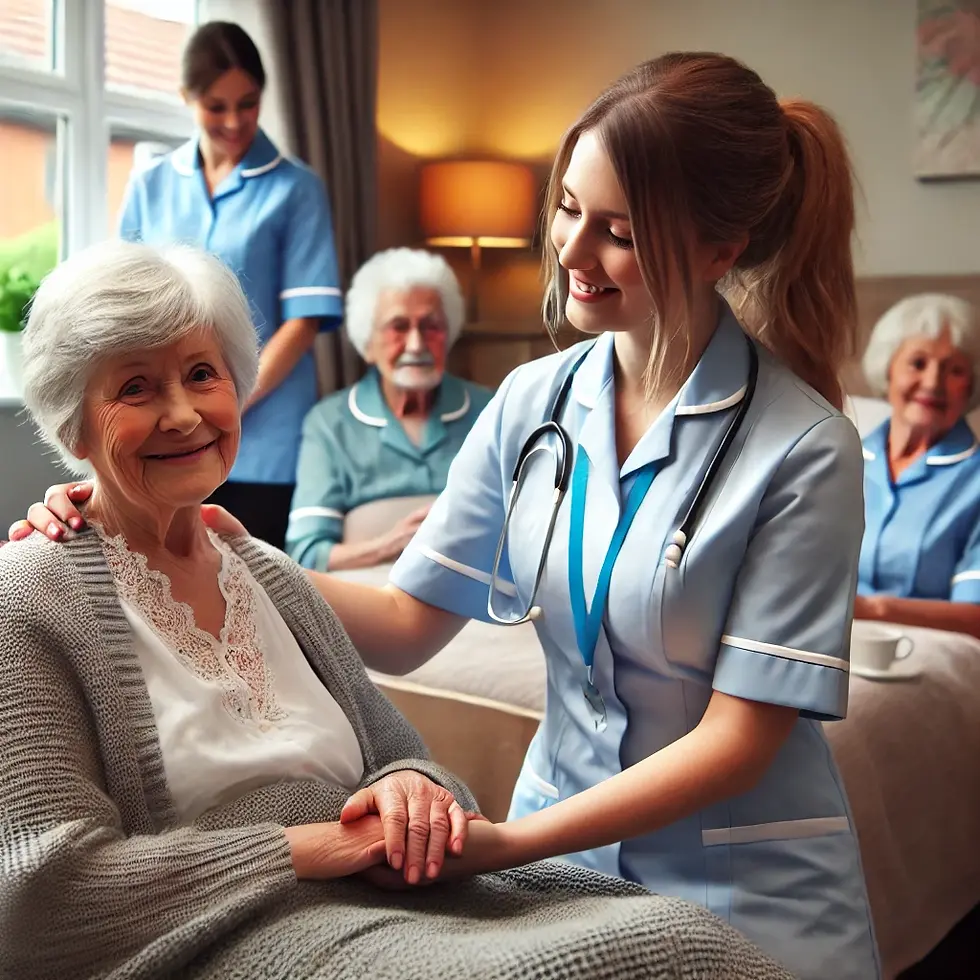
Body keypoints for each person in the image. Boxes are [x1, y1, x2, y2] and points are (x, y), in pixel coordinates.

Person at [11, 53, 879, 980]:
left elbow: (739, 742)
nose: (572, 254)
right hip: (563, 857)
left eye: (619, 232)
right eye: (569, 209)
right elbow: (409, 624)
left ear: (724, 247)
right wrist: (215, 546)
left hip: (739, 870)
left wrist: (502, 841)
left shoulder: (805, 447)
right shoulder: (532, 402)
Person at [119, 20, 343, 550]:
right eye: (216, 106)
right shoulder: (151, 184)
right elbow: (126, 303)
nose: (235, 120)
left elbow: (305, 321)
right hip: (168, 426)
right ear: (187, 98)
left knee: (251, 589)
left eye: (248, 103)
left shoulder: (297, 188)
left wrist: (225, 398)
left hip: (266, 439)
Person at [287, 248, 492, 571]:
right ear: (367, 343)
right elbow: (306, 553)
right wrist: (392, 545)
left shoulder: (492, 411)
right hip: (369, 600)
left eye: (431, 326)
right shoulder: (329, 424)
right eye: (399, 326)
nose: (416, 345)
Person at [851, 293, 980, 637]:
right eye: (918, 364)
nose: (933, 383)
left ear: (971, 387)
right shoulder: (843, 459)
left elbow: (976, 617)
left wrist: (870, 610)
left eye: (954, 370)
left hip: (932, 654)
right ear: (888, 369)